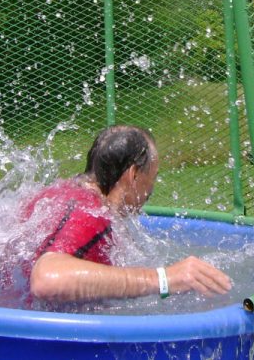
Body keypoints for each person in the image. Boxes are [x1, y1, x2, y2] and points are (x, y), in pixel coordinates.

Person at [25, 125, 231, 303]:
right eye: (152, 177)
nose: (151, 189)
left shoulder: (55, 194)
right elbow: (46, 279)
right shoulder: (92, 215)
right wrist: (164, 279)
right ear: (133, 175)